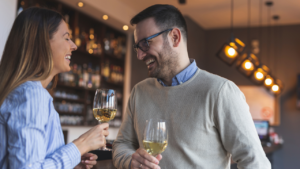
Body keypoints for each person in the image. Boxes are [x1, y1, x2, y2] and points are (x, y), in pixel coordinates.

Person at [112, 4, 271, 169]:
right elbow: (122, 143)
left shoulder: (221, 92)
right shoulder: (139, 92)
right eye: (137, 47)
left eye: (145, 43)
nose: (139, 55)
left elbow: (255, 163)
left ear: (174, 37)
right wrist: (130, 160)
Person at [0, 7, 109, 169]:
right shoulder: (31, 94)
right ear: (42, 42)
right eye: (66, 38)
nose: (74, 46)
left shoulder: (28, 92)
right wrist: (81, 144)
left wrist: (73, 162)